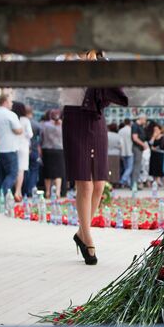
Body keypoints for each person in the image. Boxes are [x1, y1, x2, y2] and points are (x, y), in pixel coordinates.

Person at [62, 50, 128, 265]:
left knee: (99, 184)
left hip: (97, 119)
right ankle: (88, 238)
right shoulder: (64, 61)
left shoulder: (103, 62)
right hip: (74, 117)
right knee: (85, 183)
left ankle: (82, 232)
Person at [0, 93, 22, 198]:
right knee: (12, 174)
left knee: (1, 175)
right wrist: (20, 129)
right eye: (10, 101)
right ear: (5, 102)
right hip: (9, 148)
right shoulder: (10, 114)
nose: (12, 103)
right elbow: (18, 130)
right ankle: (2, 194)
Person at [40, 109, 64, 199]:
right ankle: (57, 192)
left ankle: (47, 192)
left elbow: (41, 136)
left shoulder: (45, 125)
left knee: (47, 172)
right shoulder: (62, 125)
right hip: (59, 150)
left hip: (47, 149)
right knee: (58, 172)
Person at [12, 101, 33, 202]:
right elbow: (30, 134)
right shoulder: (25, 120)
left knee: (15, 170)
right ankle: (18, 191)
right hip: (24, 147)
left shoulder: (12, 118)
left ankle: (15, 191)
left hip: (13, 146)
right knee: (21, 170)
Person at [23, 104, 41, 197]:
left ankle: (24, 190)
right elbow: (40, 138)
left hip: (23, 149)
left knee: (24, 170)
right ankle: (31, 189)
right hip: (33, 149)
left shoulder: (20, 121)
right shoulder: (36, 124)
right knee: (34, 170)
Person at [131, 114, 149, 190]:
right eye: (145, 120)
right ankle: (134, 184)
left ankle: (136, 183)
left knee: (139, 166)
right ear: (141, 118)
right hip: (137, 148)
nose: (145, 122)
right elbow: (135, 138)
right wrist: (143, 145)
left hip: (140, 148)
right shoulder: (135, 126)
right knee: (137, 166)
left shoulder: (140, 126)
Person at [148, 123, 164, 189]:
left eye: (156, 130)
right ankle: (156, 183)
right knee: (154, 169)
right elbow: (150, 144)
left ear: (160, 130)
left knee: (162, 169)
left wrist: (155, 148)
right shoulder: (153, 137)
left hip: (161, 154)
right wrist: (153, 137)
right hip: (154, 155)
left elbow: (162, 146)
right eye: (154, 130)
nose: (155, 131)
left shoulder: (163, 137)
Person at [118, 118, 133, 188]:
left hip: (123, 151)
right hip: (130, 151)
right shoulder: (131, 130)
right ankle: (122, 180)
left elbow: (119, 142)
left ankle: (128, 183)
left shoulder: (120, 131)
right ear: (130, 123)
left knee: (126, 167)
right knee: (130, 168)